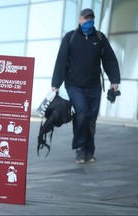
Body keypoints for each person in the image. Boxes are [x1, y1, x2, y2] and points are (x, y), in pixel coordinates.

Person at [51, 8, 121, 164]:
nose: (88, 21)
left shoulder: (100, 38)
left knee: (91, 118)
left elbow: (109, 60)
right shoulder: (71, 37)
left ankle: (89, 150)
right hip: (74, 85)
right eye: (86, 18)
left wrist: (114, 81)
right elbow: (61, 60)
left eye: (91, 18)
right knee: (81, 112)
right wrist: (56, 84)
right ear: (80, 19)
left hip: (94, 86)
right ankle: (80, 148)